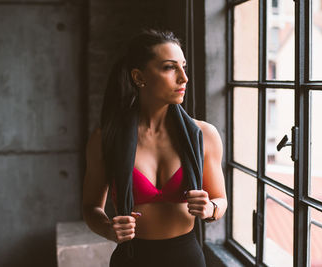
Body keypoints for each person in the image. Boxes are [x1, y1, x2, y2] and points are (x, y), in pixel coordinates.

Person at [82, 29, 227, 267]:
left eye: (183, 66)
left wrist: (210, 208)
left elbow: (221, 199)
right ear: (139, 77)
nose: (183, 78)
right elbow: (91, 208)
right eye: (169, 67)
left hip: (187, 259)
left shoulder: (204, 135)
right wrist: (109, 229)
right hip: (132, 260)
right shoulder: (106, 138)